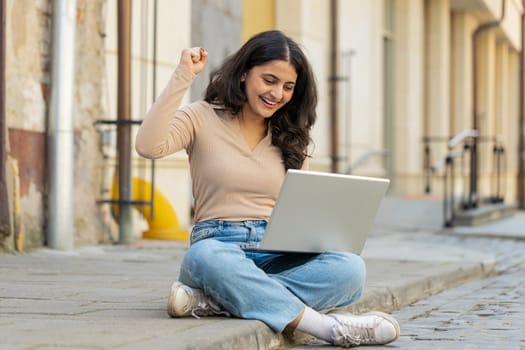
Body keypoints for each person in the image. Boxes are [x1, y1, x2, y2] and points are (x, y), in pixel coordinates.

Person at [135, 30, 400, 347]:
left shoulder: (291, 136)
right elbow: (148, 146)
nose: (278, 93)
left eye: (288, 86)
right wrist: (182, 76)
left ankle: (217, 301)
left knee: (350, 269)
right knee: (204, 256)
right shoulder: (200, 116)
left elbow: (299, 209)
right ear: (245, 72)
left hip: (276, 247)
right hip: (218, 246)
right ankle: (328, 329)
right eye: (269, 80)